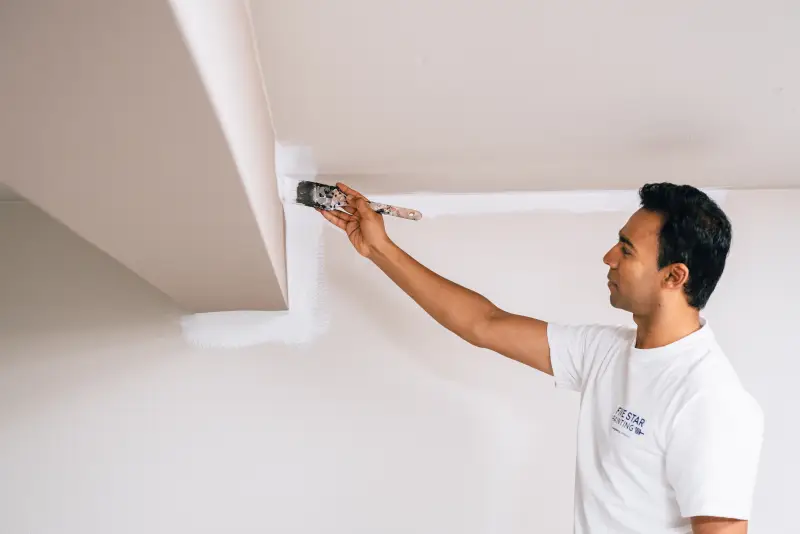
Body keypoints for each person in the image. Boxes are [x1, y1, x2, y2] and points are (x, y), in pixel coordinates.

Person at [319, 181, 764, 534]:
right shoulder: (607, 353)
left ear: (674, 276)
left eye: (626, 250)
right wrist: (378, 247)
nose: (608, 257)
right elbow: (484, 324)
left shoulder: (710, 400)